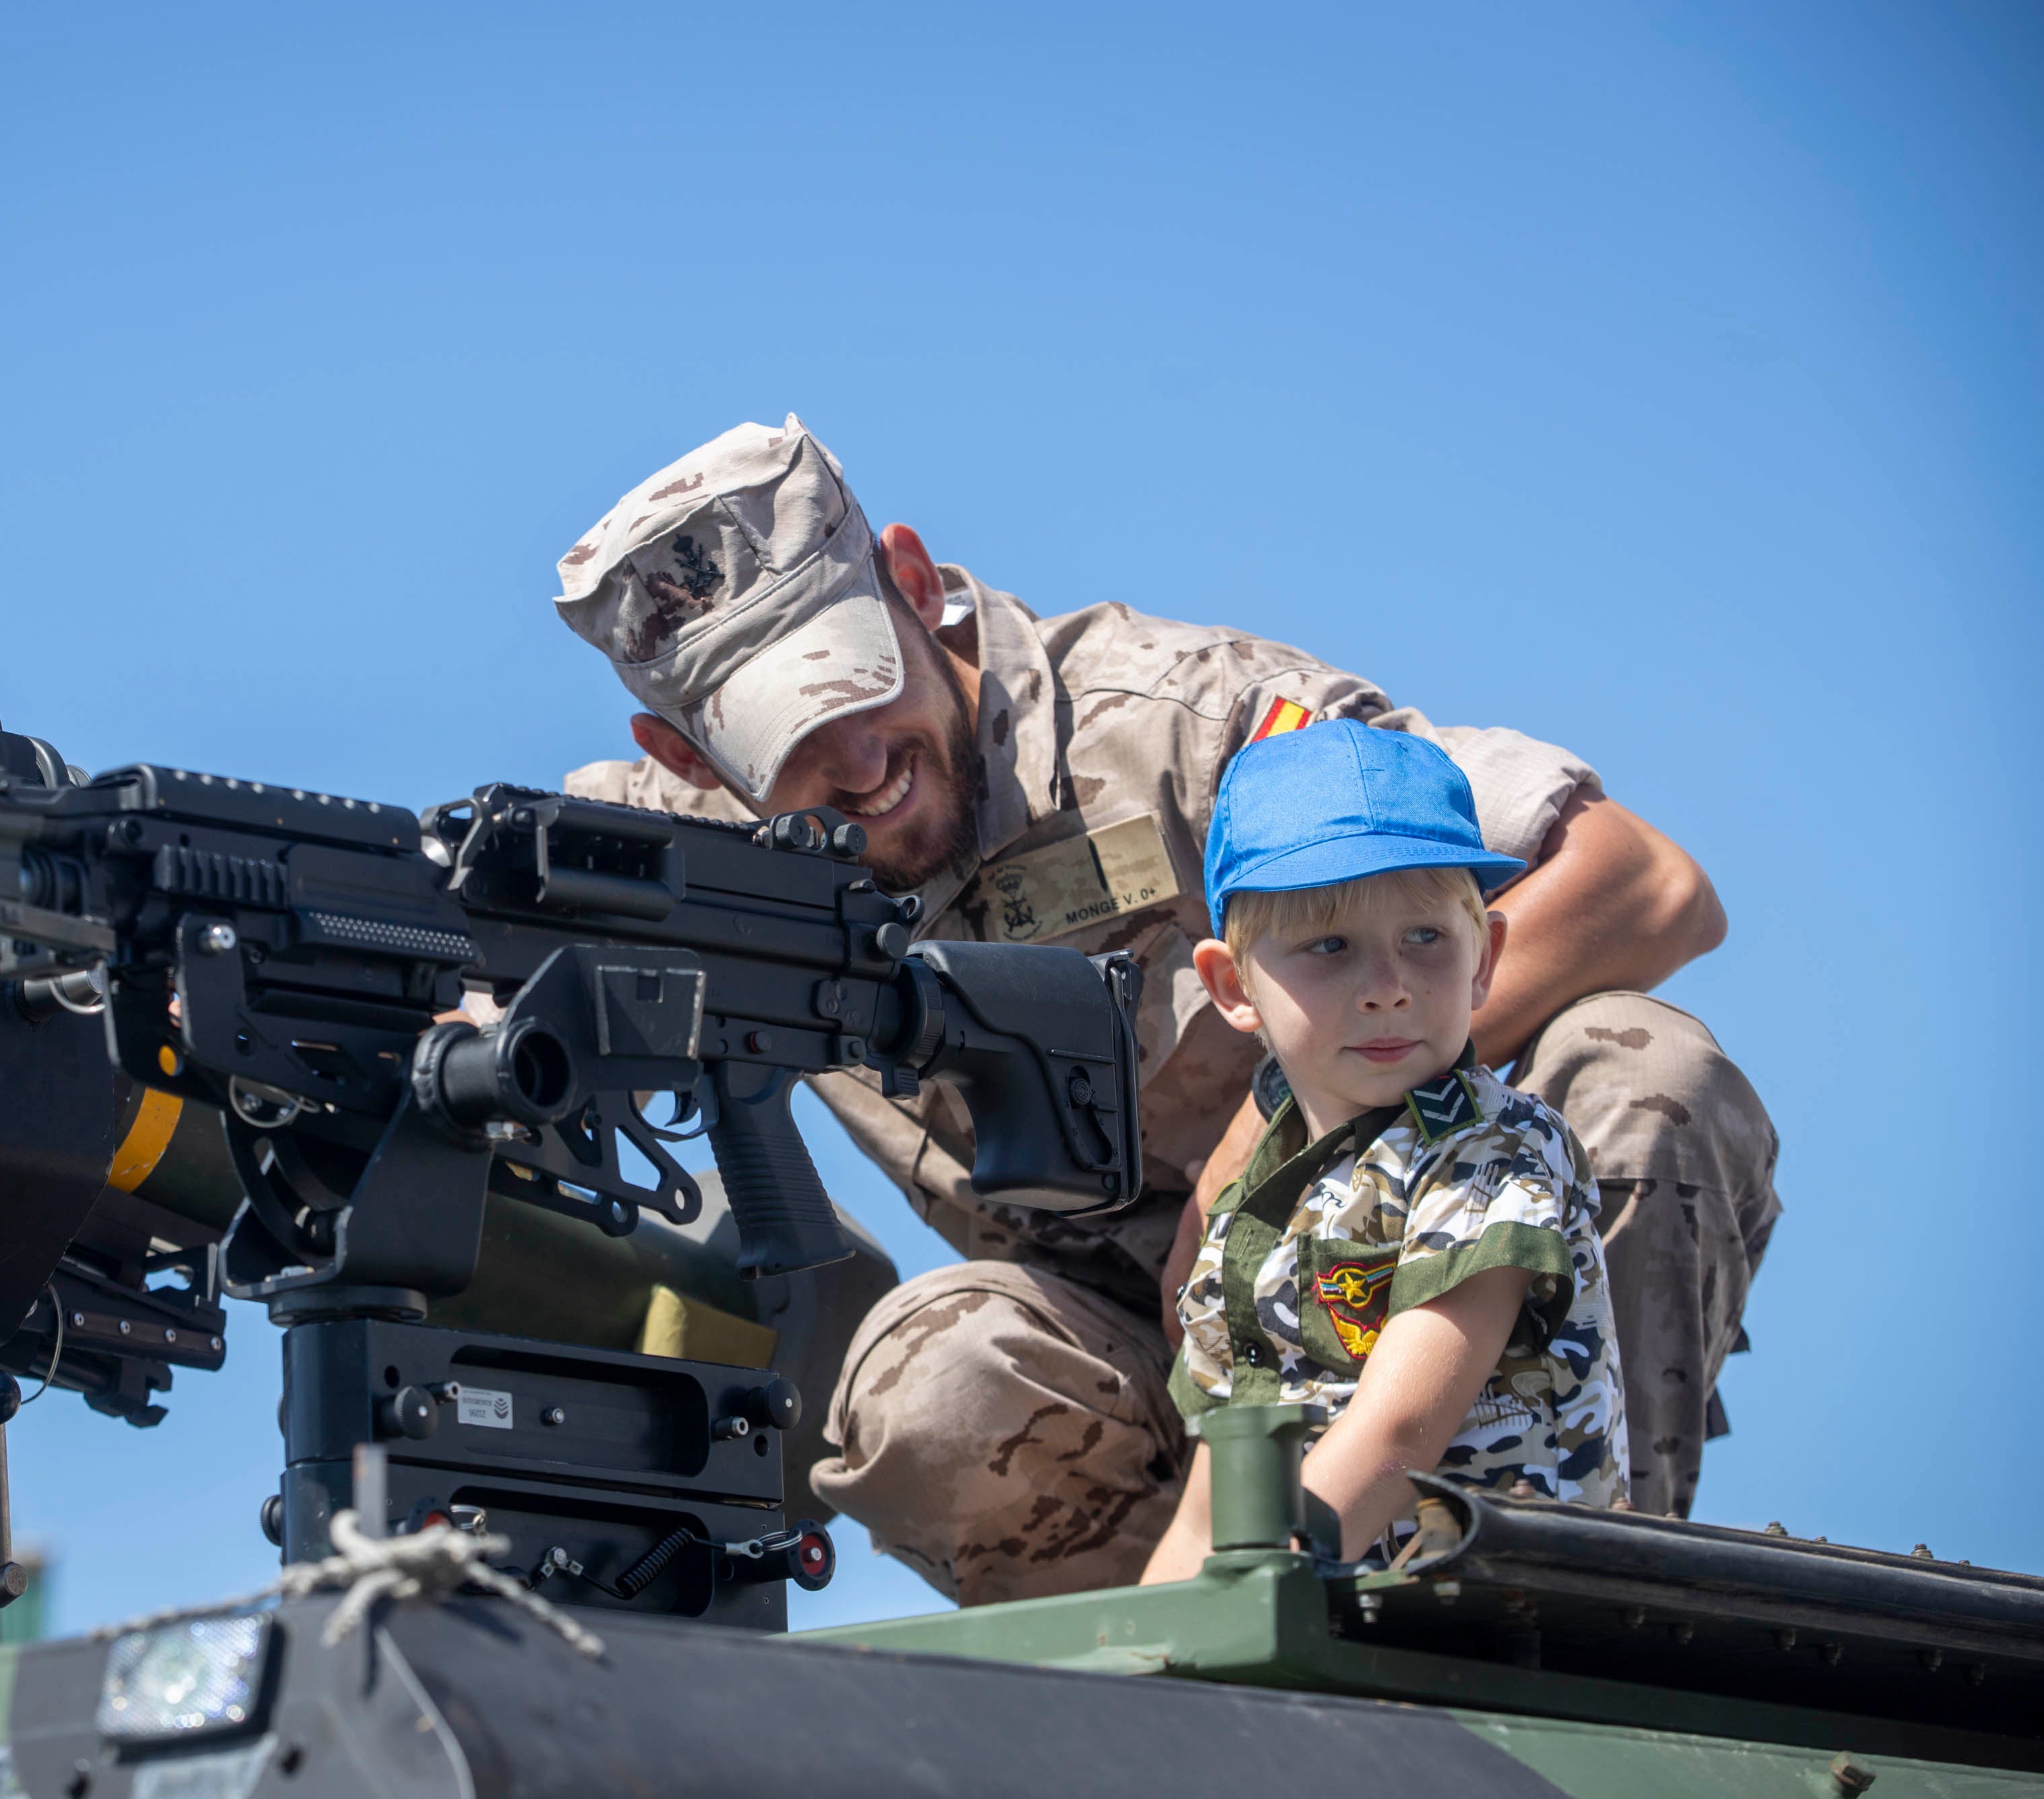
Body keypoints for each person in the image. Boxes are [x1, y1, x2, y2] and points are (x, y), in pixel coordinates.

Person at [554, 416, 1776, 1603]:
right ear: (687, 758)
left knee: (1642, 1070)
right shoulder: (687, 861)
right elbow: (468, 958)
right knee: (929, 1379)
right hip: (1130, 1361)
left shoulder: (1189, 720)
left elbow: (1646, 883)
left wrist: (1271, 1138)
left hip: (1406, 1260)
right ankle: (1189, 1692)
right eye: (793, 742)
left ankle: (1588, 1603)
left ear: (916, 587)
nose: (861, 762)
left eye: (862, 689)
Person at [1138, 718, 1626, 1580]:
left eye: (1425, 939)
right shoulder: (1253, 1209)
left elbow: (1399, 1432)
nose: (1388, 989)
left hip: (1491, 1624)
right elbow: (1212, 1507)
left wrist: (1244, 1598)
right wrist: (1138, 1664)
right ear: (1230, 986)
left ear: (1485, 960)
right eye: (1330, 947)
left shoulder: (1492, 1150)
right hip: (1315, 1608)